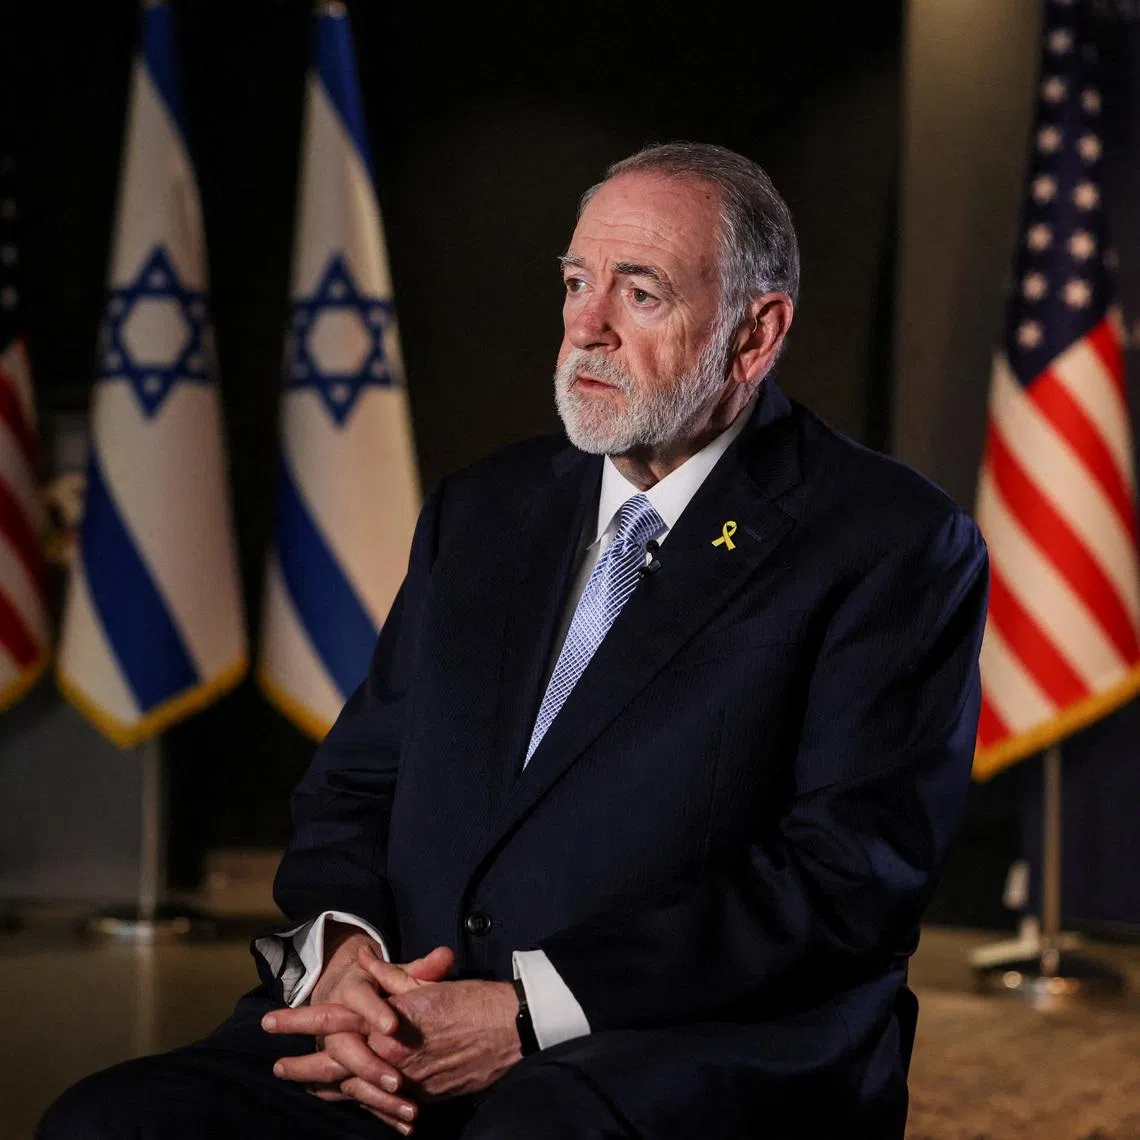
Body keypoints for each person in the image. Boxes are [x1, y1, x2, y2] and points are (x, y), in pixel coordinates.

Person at [39, 142, 988, 1139]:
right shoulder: (483, 510)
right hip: (393, 1021)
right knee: (107, 1123)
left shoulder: (890, 544)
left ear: (755, 335)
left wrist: (528, 1013)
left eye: (640, 293)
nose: (587, 326)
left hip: (674, 1041)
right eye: (577, 283)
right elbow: (354, 787)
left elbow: (847, 878)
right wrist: (344, 957)